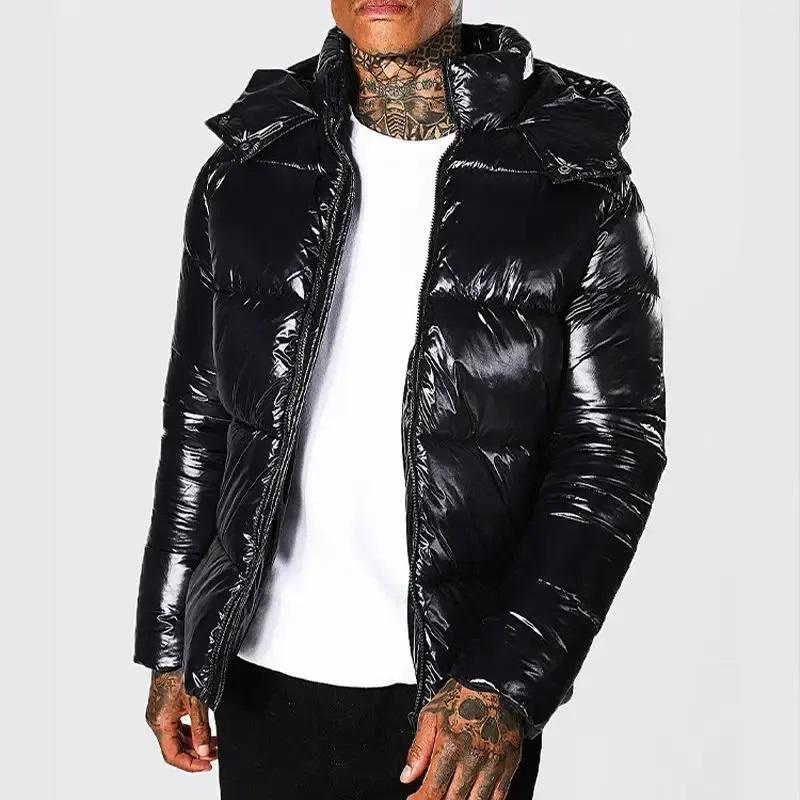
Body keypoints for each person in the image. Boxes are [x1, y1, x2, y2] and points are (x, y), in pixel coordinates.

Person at [134, 1, 667, 798]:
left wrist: (504, 680)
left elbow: (611, 454)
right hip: (259, 678)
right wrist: (174, 639)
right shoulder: (251, 165)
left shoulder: (574, 181)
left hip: (455, 700)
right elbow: (201, 415)